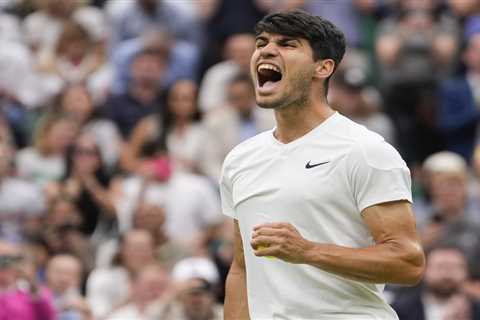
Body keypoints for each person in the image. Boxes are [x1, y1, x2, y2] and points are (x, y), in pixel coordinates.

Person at [220, 10, 425, 319]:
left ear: (323, 67)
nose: (267, 50)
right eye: (261, 42)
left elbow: (408, 262)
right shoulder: (240, 159)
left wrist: (307, 251)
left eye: (288, 44)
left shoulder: (365, 151)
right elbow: (242, 268)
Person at [392, 246, 480, 320]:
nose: (447, 274)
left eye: (455, 267)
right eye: (440, 267)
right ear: (424, 270)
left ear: (466, 272)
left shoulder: (476, 310)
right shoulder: (400, 310)